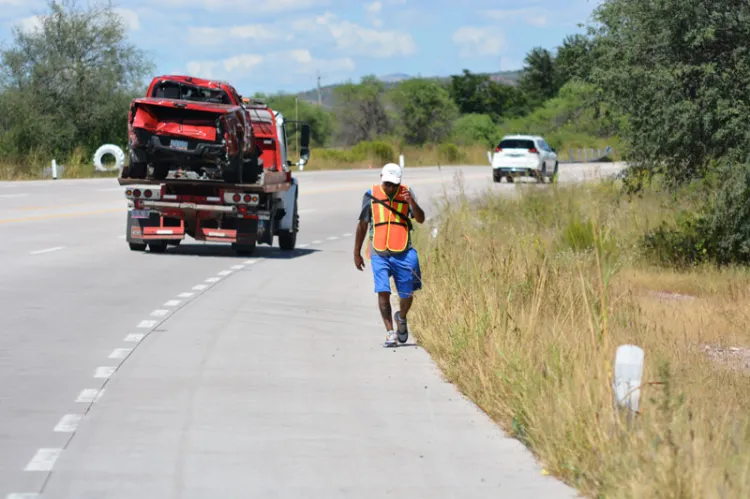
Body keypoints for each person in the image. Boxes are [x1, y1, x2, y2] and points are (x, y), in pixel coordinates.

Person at [353, 162, 425, 347]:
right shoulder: (370, 195)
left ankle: (401, 317)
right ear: (381, 179)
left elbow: (421, 219)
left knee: (407, 294)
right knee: (383, 291)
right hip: (379, 252)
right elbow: (362, 225)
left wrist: (412, 203)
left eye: (394, 184)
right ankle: (390, 332)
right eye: (387, 184)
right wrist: (357, 252)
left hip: (403, 251)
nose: (391, 188)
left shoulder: (407, 194)